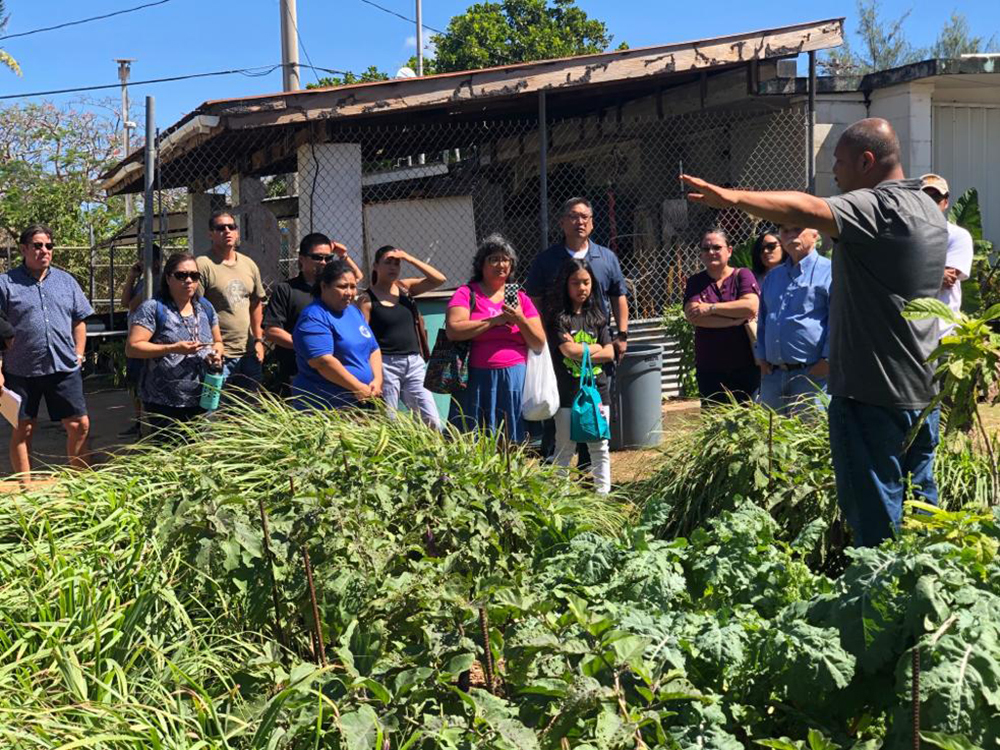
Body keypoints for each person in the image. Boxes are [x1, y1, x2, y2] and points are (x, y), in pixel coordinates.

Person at [681, 117, 947, 547]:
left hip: (871, 393)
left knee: (876, 525)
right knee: (924, 514)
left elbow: (805, 208)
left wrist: (730, 197)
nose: (836, 176)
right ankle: (928, 601)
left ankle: (877, 606)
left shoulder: (878, 207)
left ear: (866, 161)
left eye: (839, 164)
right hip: (921, 389)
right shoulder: (927, 210)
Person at [524, 197, 630, 460]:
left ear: (592, 223)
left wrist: (622, 335)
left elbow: (619, 296)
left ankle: (587, 475)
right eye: (573, 216)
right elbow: (533, 302)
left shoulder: (606, 257)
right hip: (558, 351)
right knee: (558, 412)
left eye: (584, 217)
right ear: (562, 222)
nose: (579, 222)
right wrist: (542, 338)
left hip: (598, 348)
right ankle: (552, 470)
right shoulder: (546, 260)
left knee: (593, 411)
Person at [0, 225, 94, 480]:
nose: (44, 251)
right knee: (23, 429)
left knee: (79, 425)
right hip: (20, 370)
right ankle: (25, 488)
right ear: (23, 249)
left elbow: (79, 320)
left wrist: (80, 353)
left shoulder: (66, 281)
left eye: (49, 246)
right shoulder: (6, 283)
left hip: (64, 367)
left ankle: (82, 485)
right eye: (38, 245)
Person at [445, 233, 546, 442]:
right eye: (494, 259)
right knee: (473, 436)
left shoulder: (520, 298)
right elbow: (454, 330)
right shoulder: (466, 293)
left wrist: (519, 319)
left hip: (514, 378)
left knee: (512, 437)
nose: (501, 264)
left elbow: (539, 341)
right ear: (481, 264)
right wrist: (494, 321)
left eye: (506, 259)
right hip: (475, 378)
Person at [125, 253, 225, 436]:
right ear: (168, 278)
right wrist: (173, 348)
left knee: (199, 455)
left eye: (194, 276)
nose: (189, 280)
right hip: (164, 402)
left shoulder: (205, 307)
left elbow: (218, 342)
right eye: (181, 275)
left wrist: (216, 353)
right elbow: (133, 348)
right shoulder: (153, 308)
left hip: (202, 398)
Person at [357, 244, 446, 429]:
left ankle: (433, 456)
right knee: (390, 421)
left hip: (414, 363)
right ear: (375, 266)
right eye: (388, 262)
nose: (393, 267)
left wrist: (409, 258)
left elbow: (439, 279)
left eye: (397, 264)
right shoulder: (366, 299)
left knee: (432, 421)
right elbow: (363, 338)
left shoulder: (405, 288)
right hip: (385, 364)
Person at [546, 259, 614, 494]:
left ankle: (602, 498)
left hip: (598, 393)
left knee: (600, 447)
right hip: (567, 395)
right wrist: (594, 349)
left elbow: (610, 352)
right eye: (575, 282)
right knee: (565, 449)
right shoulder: (558, 319)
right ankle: (560, 500)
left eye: (586, 282)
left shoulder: (598, 318)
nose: (581, 288)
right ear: (565, 285)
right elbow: (568, 351)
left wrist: (584, 350)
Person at [263, 233, 362, 395]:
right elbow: (272, 331)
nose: (323, 262)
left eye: (328, 258)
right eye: (317, 257)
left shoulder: (333, 290)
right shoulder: (286, 289)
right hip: (297, 374)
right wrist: (309, 347)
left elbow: (356, 278)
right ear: (302, 259)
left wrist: (343, 256)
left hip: (334, 373)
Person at [755, 225, 832, 416]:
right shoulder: (774, 276)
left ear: (815, 234)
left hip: (811, 375)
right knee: (771, 440)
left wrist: (828, 360)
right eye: (785, 230)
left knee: (809, 439)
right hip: (773, 375)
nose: (790, 235)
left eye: (797, 229)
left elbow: (839, 320)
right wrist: (762, 357)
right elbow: (764, 319)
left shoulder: (830, 272)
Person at [291, 258, 382, 410]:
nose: (349, 293)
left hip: (361, 401)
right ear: (324, 286)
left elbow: (373, 348)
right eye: (342, 286)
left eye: (353, 287)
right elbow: (323, 362)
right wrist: (358, 387)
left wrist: (377, 380)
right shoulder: (314, 316)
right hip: (326, 407)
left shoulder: (353, 311)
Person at [683, 228, 760, 405]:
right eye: (706, 249)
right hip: (710, 367)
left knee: (747, 420)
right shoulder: (695, 282)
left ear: (729, 250)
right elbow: (694, 316)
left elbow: (750, 306)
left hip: (745, 365)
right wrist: (736, 319)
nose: (711, 252)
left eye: (717, 247)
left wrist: (710, 308)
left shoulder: (743, 275)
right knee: (714, 421)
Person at [196, 210, 265, 397]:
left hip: (249, 354)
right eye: (220, 228)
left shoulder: (249, 264)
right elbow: (196, 310)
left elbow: (256, 303)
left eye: (231, 227)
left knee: (251, 412)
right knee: (213, 411)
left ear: (237, 232)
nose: (227, 231)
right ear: (210, 234)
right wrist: (209, 348)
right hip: (219, 355)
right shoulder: (203, 265)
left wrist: (258, 340)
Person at [920, 173, 974, 338]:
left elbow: (947, 279)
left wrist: (908, 271)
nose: (930, 203)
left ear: (945, 202)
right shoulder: (902, 234)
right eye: (924, 197)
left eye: (936, 198)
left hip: (944, 332)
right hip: (910, 334)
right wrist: (936, 273)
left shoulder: (957, 235)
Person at [120, 245, 162, 436]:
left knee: (149, 383)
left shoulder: (159, 281)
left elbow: (133, 304)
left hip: (151, 340)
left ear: (155, 261)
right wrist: (132, 276)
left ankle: (151, 424)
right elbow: (124, 302)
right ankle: (138, 423)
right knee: (135, 383)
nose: (142, 263)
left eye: (145, 259)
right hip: (134, 338)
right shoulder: (143, 281)